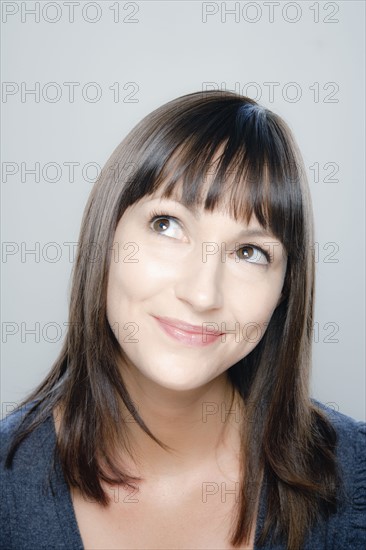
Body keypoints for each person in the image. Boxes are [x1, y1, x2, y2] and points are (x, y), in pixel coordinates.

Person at [1, 90, 365, 550]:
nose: (201, 293)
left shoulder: (355, 477)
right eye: (168, 225)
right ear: (106, 236)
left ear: (284, 290)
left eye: (249, 253)